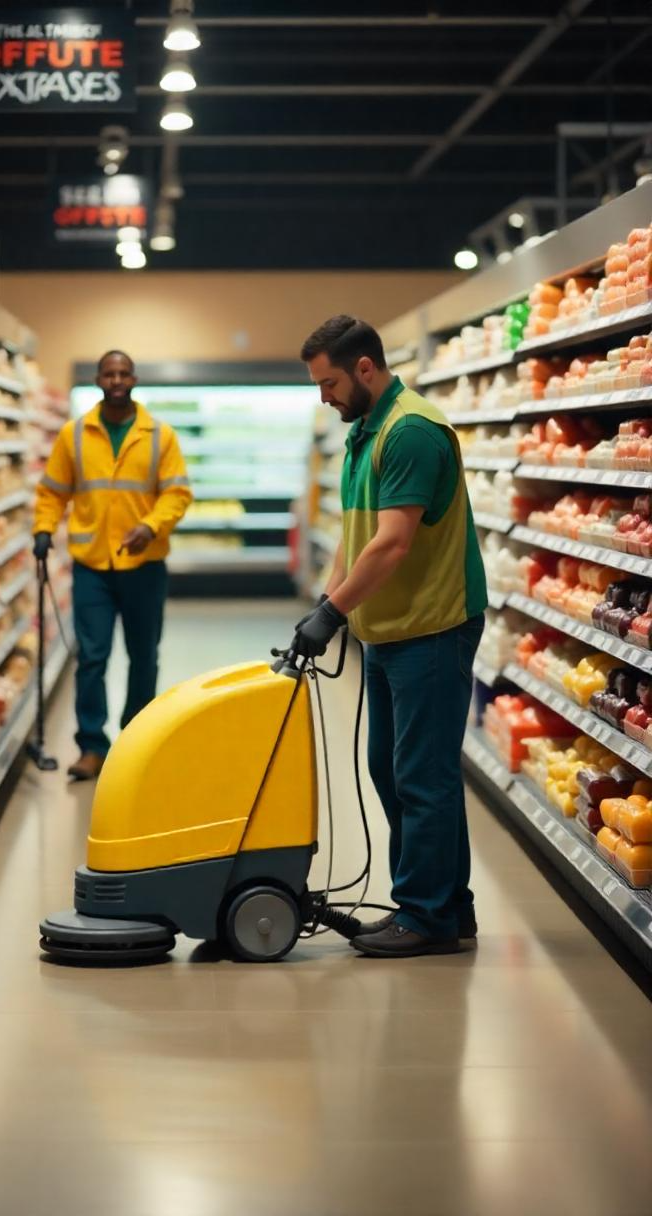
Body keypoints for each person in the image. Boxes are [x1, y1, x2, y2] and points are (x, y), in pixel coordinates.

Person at [294, 316, 487, 958]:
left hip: (433, 626)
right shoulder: (363, 433)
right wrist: (329, 606)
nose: (324, 395)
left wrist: (331, 614)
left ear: (366, 369)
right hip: (390, 629)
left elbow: (393, 543)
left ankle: (424, 913)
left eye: (329, 383)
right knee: (391, 767)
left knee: (420, 776)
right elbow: (356, 539)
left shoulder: (409, 432)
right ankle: (448, 906)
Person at [32, 350, 192, 780]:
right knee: (92, 658)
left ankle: (136, 740)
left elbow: (177, 494)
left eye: (124, 373)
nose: (117, 379)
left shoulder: (160, 435)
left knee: (143, 656)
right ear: (99, 379)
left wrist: (151, 526)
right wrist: (44, 528)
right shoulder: (75, 434)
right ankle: (91, 746)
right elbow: (52, 491)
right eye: (109, 373)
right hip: (92, 567)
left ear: (134, 378)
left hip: (145, 565)